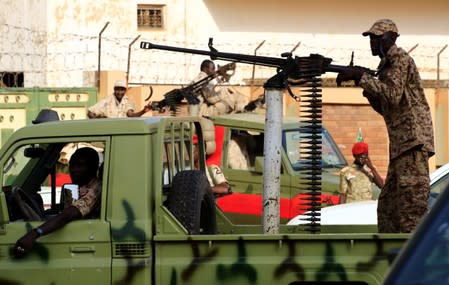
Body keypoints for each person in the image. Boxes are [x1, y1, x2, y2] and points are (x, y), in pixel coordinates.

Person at [336, 19, 435, 233]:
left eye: (376, 37)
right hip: (401, 147)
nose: (372, 42)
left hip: (413, 144)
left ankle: (412, 259)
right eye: (370, 38)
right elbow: (386, 107)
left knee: (410, 212)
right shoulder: (386, 67)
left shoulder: (400, 59)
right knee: (388, 209)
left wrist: (361, 77)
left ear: (390, 38)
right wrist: (362, 83)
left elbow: (391, 95)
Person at [13, 147, 102, 258]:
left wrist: (34, 233)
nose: (74, 170)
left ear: (93, 168)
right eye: (72, 165)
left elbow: (68, 214)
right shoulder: (78, 188)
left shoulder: (96, 188)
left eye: (80, 165)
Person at [87, 80, 151, 118]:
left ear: (125, 91)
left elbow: (130, 115)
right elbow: (90, 112)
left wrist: (143, 111)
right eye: (117, 90)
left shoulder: (128, 101)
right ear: (114, 90)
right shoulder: (107, 100)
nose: (119, 93)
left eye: (122, 90)